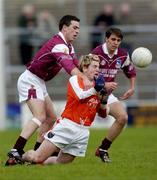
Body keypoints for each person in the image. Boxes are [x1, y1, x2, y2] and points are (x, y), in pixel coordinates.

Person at [5, 15, 85, 166]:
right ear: (64, 28)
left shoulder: (68, 46)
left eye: (78, 28)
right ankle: (16, 150)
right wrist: (87, 79)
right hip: (30, 79)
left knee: (51, 118)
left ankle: (37, 154)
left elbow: (77, 66)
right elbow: (70, 69)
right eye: (74, 28)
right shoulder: (59, 45)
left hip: (38, 81)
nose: (77, 31)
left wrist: (89, 65)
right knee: (40, 116)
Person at [21, 54, 109, 165]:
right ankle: (19, 158)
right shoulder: (75, 79)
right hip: (67, 126)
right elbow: (80, 96)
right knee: (37, 157)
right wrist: (96, 90)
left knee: (60, 163)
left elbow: (103, 114)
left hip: (83, 131)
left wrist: (104, 100)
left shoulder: (98, 86)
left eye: (98, 67)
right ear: (85, 68)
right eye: (94, 66)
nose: (98, 69)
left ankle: (33, 165)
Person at [91, 27, 136, 163]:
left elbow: (131, 71)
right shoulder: (96, 53)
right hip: (91, 92)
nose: (115, 42)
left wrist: (132, 88)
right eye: (113, 39)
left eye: (118, 40)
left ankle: (103, 149)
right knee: (76, 124)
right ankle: (53, 148)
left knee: (122, 117)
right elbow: (86, 76)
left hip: (107, 94)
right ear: (106, 39)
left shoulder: (122, 55)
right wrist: (103, 85)